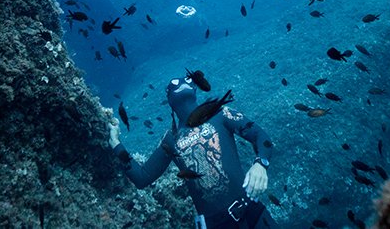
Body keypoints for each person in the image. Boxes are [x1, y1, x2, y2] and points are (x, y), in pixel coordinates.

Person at [108, 72, 277, 228]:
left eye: (185, 81)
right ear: (169, 101)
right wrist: (116, 143)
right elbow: (142, 177)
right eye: (174, 84)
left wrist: (260, 164)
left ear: (195, 89)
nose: (179, 83)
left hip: (252, 212)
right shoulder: (170, 139)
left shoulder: (220, 113)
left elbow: (261, 136)